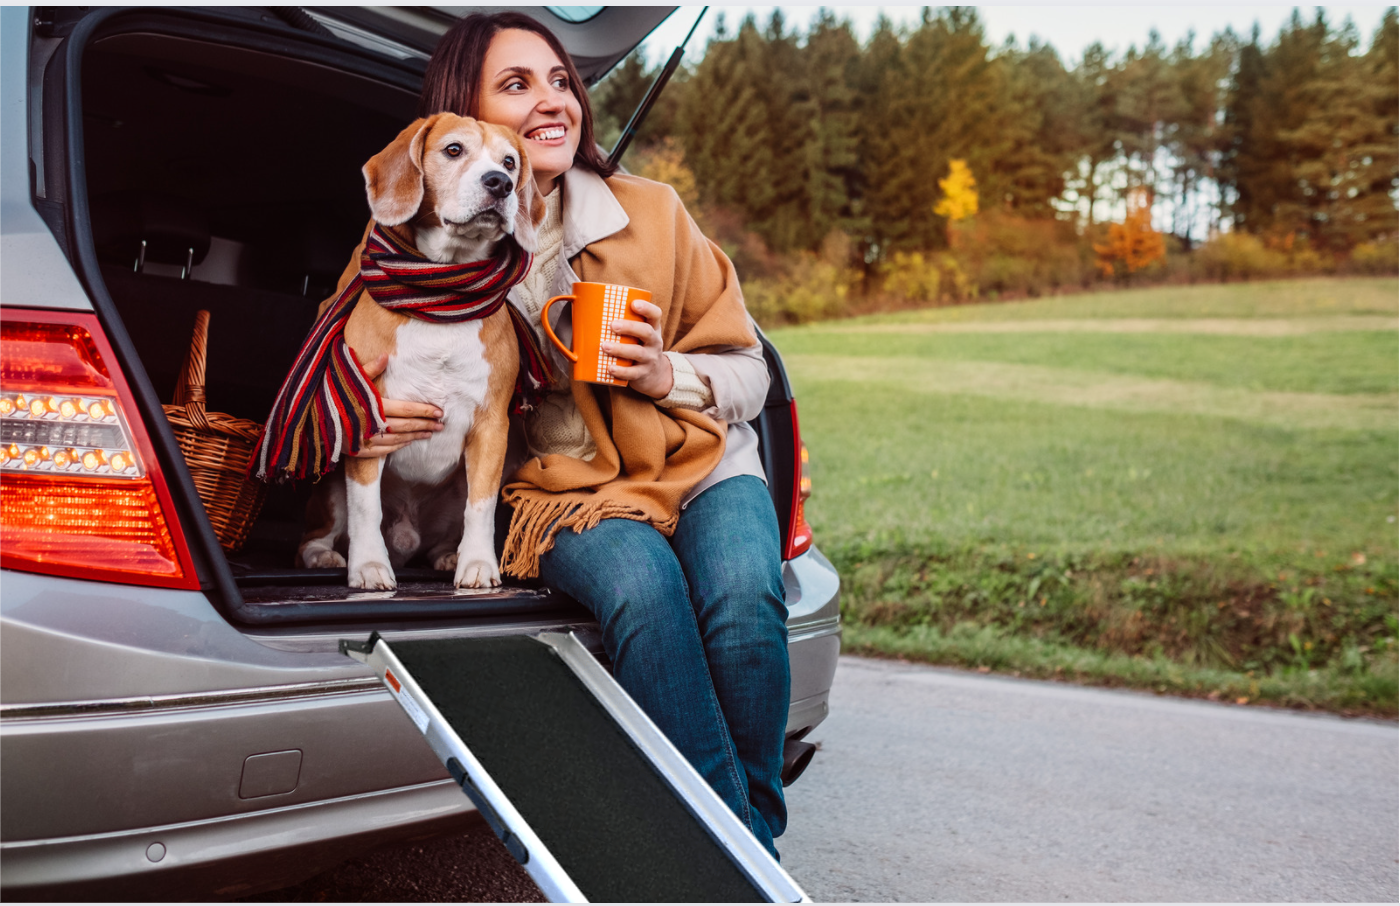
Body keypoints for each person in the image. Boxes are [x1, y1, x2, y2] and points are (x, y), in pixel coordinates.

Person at [347, 13, 792, 857]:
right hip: (559, 489)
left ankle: (744, 846)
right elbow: (342, 351)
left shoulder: (654, 212)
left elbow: (750, 368)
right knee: (647, 592)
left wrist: (666, 374)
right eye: (516, 86)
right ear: (465, 121)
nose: (552, 102)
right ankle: (743, 861)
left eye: (560, 80)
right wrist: (364, 410)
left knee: (743, 600)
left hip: (696, 461)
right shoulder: (415, 247)